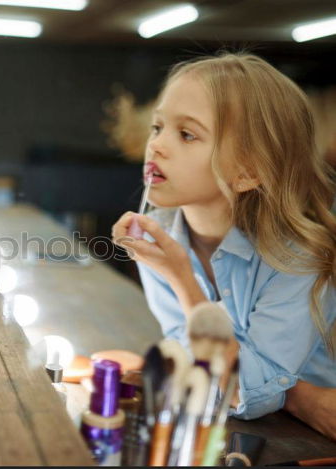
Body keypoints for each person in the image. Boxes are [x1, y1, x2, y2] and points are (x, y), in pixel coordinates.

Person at [112, 53, 336, 440]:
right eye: (157, 126)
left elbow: (249, 393)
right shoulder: (159, 238)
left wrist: (182, 279)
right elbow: (200, 371)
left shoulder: (298, 254)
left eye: (187, 134)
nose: (157, 146)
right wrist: (296, 396)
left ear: (247, 171)